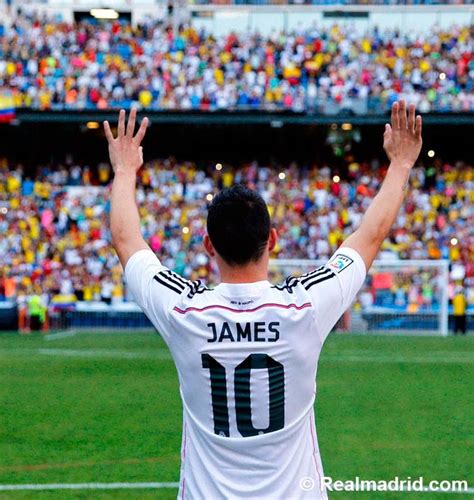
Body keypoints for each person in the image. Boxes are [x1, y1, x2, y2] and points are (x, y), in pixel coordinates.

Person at [104, 101, 422, 499]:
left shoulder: (182, 310)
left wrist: (123, 170)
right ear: (272, 240)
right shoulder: (304, 307)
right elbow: (368, 237)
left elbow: (127, 240)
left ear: (208, 246)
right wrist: (401, 164)